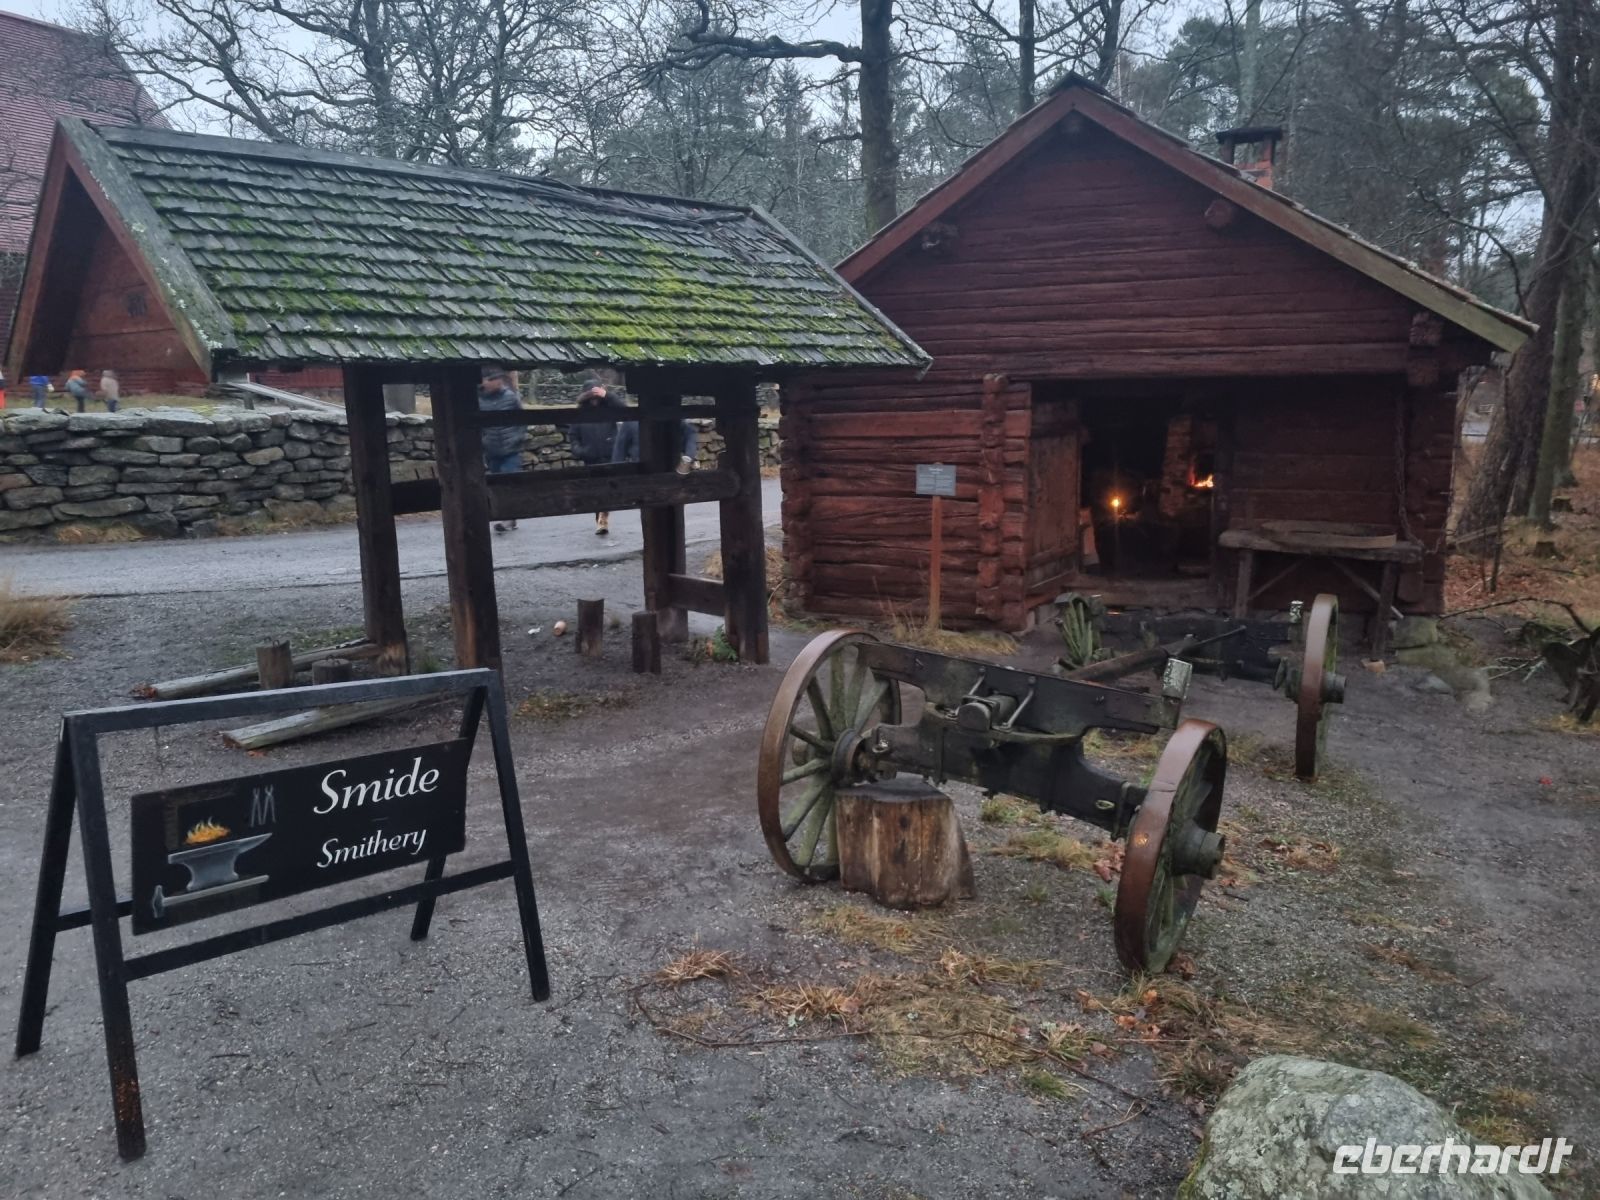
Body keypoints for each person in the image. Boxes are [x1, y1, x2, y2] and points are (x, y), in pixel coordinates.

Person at [567, 378, 624, 534]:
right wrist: (580, 451)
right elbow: (573, 436)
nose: (594, 400)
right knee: (595, 490)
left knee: (607, 489)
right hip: (590, 458)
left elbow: (624, 410)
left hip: (609, 455)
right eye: (591, 397)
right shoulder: (579, 414)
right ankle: (600, 520)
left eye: (596, 396)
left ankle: (603, 519)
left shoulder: (609, 409)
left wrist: (607, 395)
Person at [478, 365, 528, 533]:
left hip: (510, 450)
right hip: (491, 450)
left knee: (509, 481)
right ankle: (507, 516)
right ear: (484, 381)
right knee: (496, 483)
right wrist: (483, 442)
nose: (497, 382)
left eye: (498, 378)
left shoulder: (510, 397)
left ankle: (508, 518)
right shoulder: (479, 400)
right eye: (492, 379)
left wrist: (517, 438)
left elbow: (522, 419)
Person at [612, 415, 699, 474]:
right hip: (641, 474)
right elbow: (619, 453)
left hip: (669, 473)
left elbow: (690, 433)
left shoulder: (672, 420)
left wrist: (687, 458)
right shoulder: (631, 423)